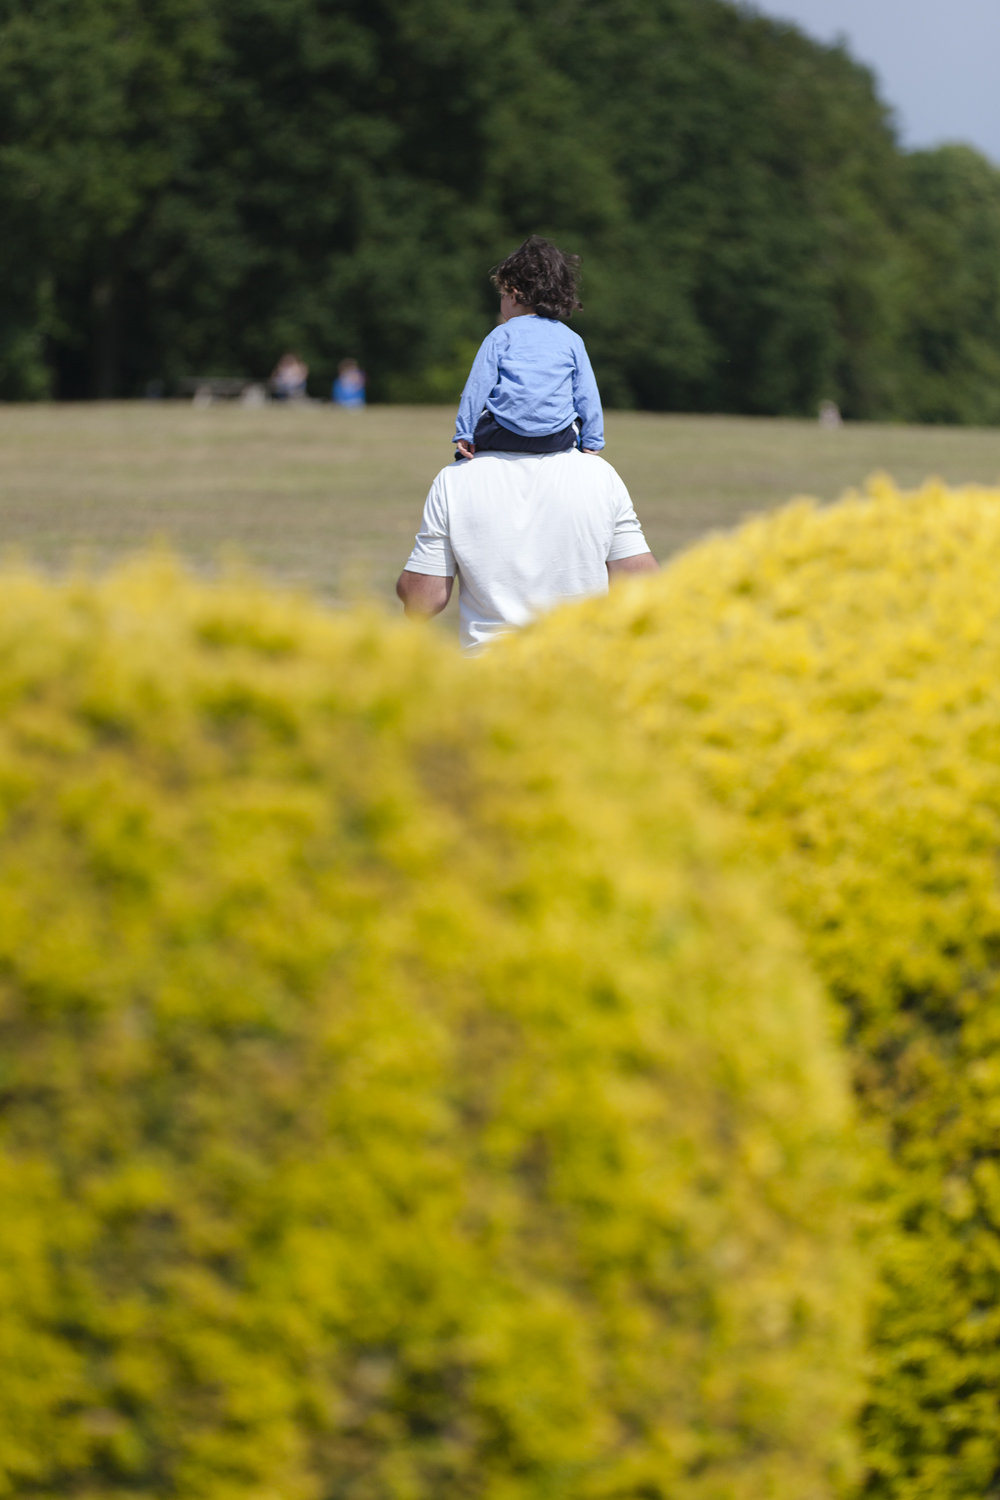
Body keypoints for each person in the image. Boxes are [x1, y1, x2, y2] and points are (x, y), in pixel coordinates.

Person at [396, 448, 658, 653]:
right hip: (583, 673)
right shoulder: (601, 474)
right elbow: (644, 585)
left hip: (489, 677)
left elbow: (424, 601)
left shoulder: (453, 479)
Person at [454, 236, 603, 460]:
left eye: (502, 295)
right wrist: (593, 439)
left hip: (503, 432)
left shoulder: (500, 335)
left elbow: (477, 387)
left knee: (469, 446)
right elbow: (587, 394)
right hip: (556, 437)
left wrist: (464, 433)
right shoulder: (572, 339)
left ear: (513, 295)